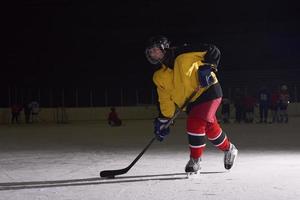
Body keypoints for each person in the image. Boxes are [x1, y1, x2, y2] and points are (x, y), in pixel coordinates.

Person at [145, 35, 238, 174]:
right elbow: (165, 100)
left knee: (195, 122)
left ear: (164, 47)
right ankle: (229, 149)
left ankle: (195, 160)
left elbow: (212, 50)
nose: (153, 54)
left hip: (208, 91)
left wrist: (208, 67)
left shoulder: (183, 53)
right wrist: (164, 120)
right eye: (150, 52)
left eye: (155, 50)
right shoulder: (159, 76)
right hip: (191, 103)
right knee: (210, 129)